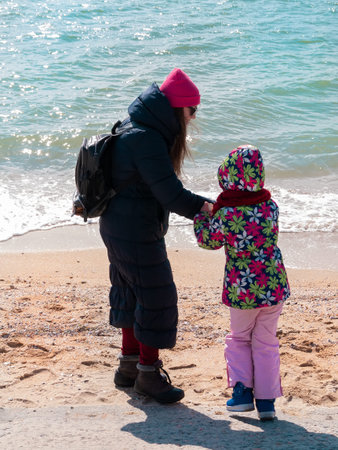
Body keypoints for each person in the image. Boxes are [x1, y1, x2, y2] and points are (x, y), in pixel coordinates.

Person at [99, 68, 213, 404]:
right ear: (179, 109)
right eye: (193, 111)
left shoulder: (133, 127)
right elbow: (171, 195)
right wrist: (209, 208)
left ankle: (128, 368)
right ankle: (149, 374)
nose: (193, 118)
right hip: (135, 230)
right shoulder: (147, 138)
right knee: (155, 297)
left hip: (117, 226)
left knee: (130, 293)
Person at [193, 145, 290, 420]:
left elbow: (208, 241)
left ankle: (242, 393)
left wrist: (201, 216)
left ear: (228, 178)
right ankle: (267, 402)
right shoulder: (270, 206)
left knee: (239, 338)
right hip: (274, 285)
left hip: (243, 290)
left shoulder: (227, 214)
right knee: (266, 341)